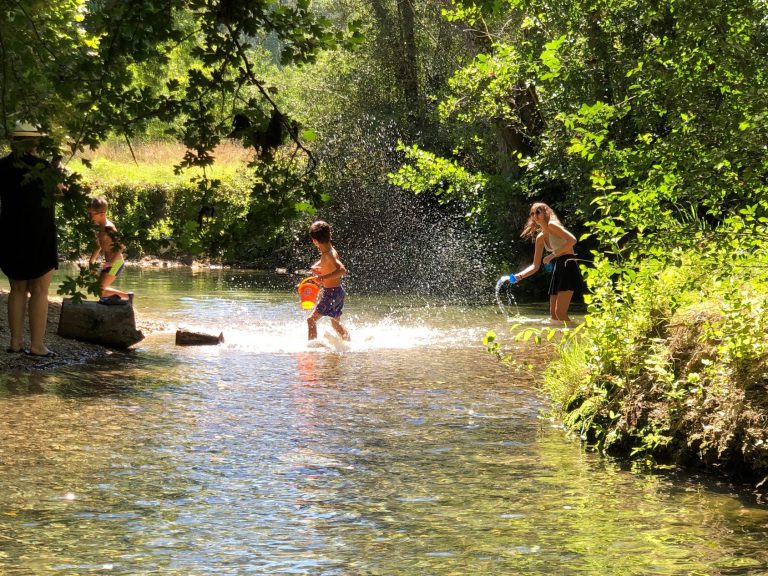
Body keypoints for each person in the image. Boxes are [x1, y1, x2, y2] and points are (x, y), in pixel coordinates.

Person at [0, 122, 61, 357]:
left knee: (16, 289)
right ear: (35, 142)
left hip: (9, 231)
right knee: (39, 290)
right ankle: (37, 346)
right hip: (40, 231)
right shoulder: (45, 167)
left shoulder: (2, 167)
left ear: (13, 141)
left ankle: (15, 343)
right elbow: (58, 191)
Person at [510, 202, 582, 323]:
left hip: (568, 264)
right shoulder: (540, 237)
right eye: (532, 213)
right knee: (553, 315)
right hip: (558, 267)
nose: (535, 215)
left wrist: (553, 255)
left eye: (538, 212)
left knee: (560, 313)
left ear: (546, 213)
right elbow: (535, 265)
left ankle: (578, 335)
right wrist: (520, 276)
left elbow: (572, 240)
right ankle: (561, 339)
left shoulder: (552, 225)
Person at [306, 220, 350, 342]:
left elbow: (342, 270)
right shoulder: (329, 251)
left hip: (331, 293)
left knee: (311, 320)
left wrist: (322, 278)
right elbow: (327, 260)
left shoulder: (328, 254)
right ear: (330, 235)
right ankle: (349, 343)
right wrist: (316, 266)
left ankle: (312, 348)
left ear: (314, 241)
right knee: (335, 324)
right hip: (338, 292)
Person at [88, 196, 132, 304]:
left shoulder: (109, 228)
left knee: (99, 290)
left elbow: (121, 246)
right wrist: (91, 261)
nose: (88, 216)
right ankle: (127, 296)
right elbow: (98, 246)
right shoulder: (99, 227)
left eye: (91, 214)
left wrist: (111, 262)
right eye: (88, 213)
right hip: (109, 264)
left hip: (116, 263)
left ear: (102, 214)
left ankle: (127, 298)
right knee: (98, 289)